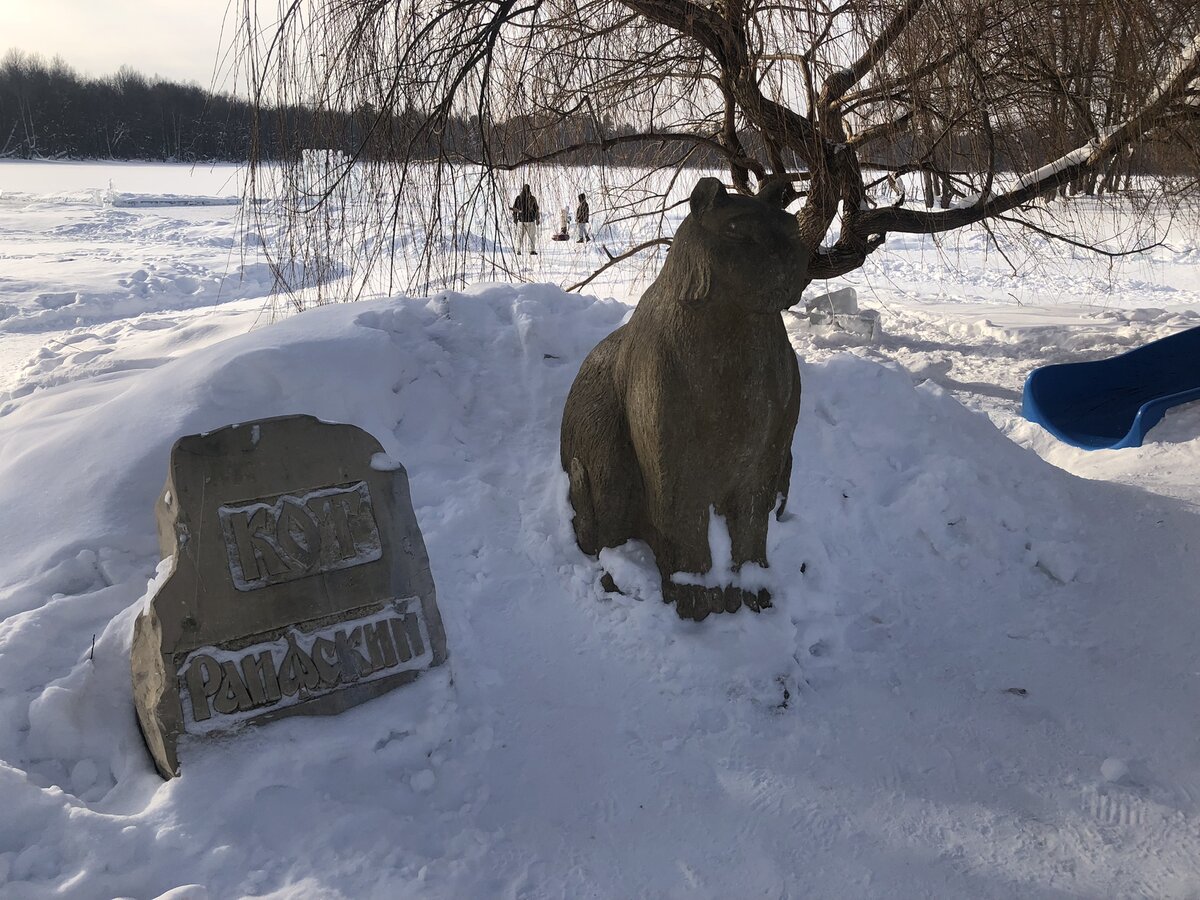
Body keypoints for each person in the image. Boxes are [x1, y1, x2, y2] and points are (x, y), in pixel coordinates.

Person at [511, 184, 540, 255]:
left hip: (528, 221)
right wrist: (515, 218)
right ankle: (519, 250)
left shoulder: (530, 198)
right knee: (522, 236)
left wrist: (537, 219)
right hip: (524, 221)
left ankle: (530, 250)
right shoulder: (521, 198)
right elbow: (515, 209)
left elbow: (536, 210)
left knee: (529, 237)